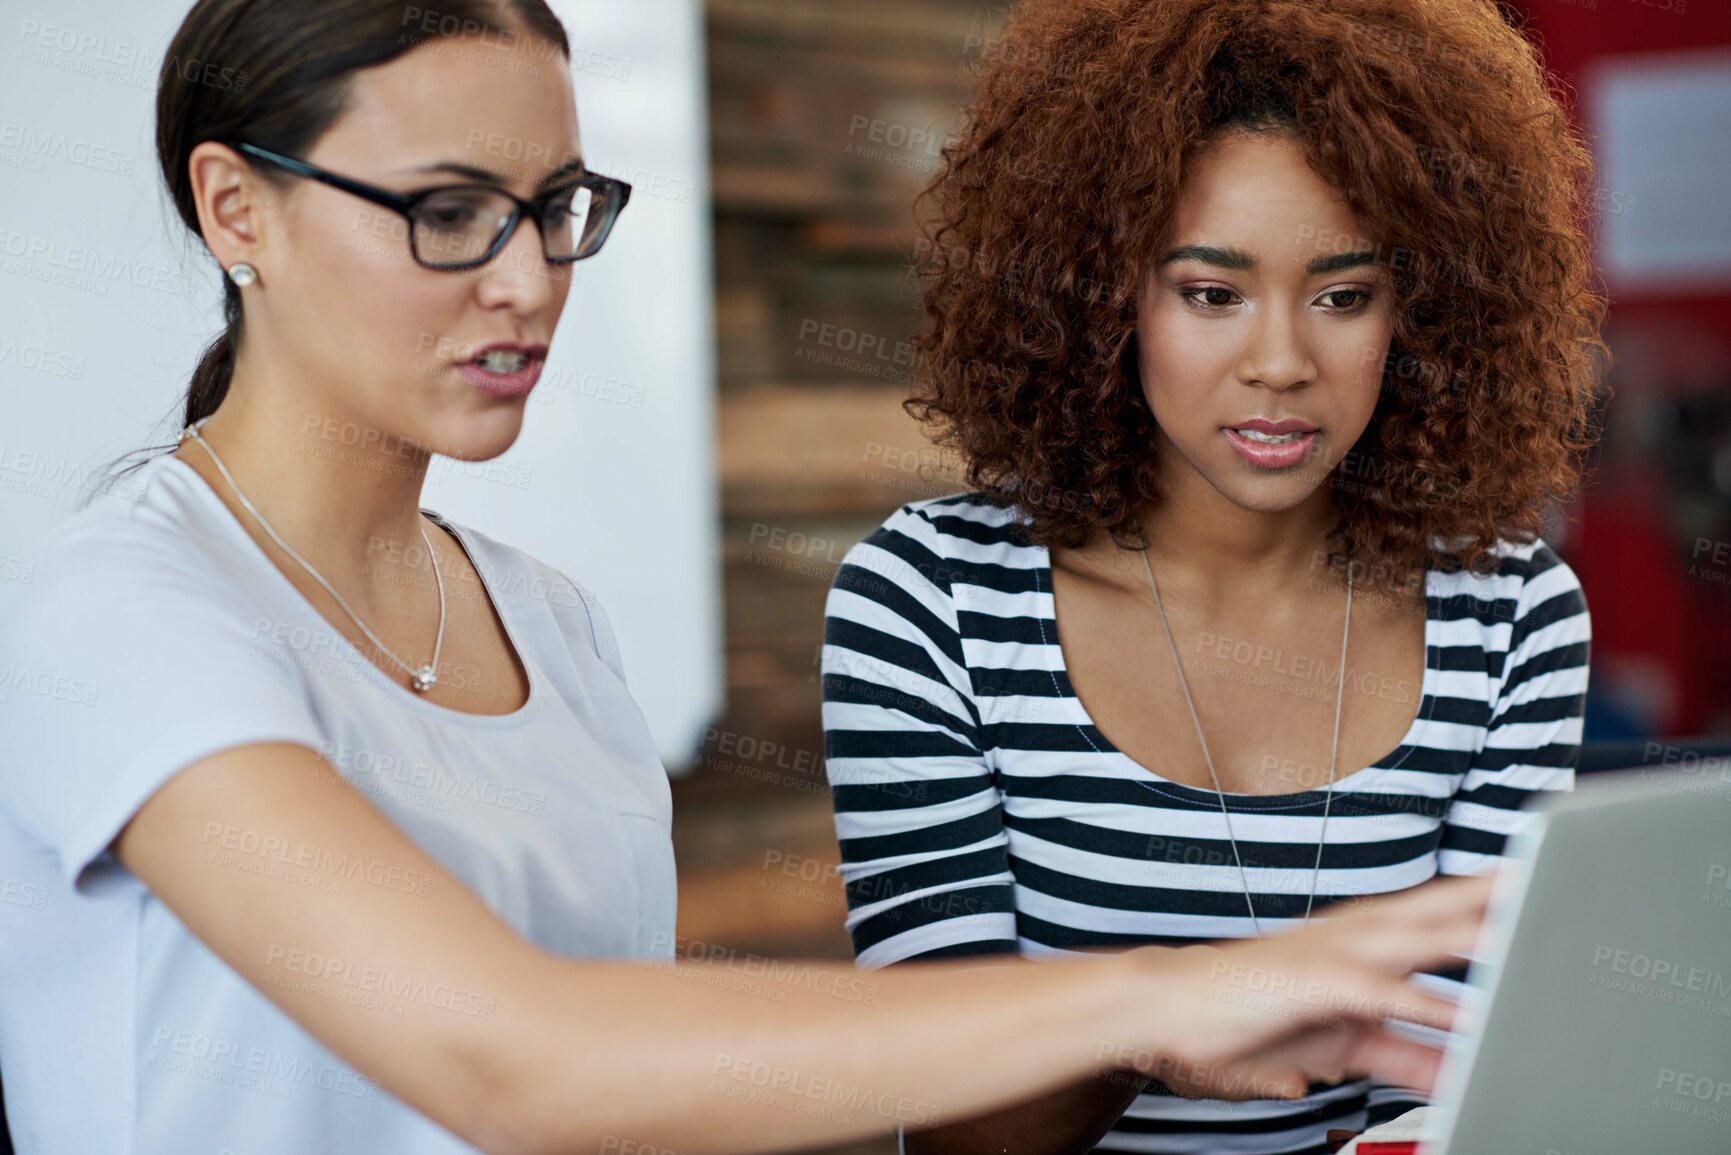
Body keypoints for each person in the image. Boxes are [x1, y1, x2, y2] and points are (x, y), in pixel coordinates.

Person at [0, 2, 1496, 1153]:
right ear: (232, 208)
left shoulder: (553, 626)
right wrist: (1161, 996)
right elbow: (514, 1057)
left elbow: (647, 1080)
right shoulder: (121, 610)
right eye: (447, 212)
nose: (526, 279)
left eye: (556, 208)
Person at [820, 0, 1602, 1152]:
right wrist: (1151, 1034)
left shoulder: (1511, 616)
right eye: (1211, 293)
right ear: (1100, 295)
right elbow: (948, 1121)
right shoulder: (930, 603)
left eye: (1344, 295)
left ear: (1420, 310)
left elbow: (1460, 1090)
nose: (1282, 362)